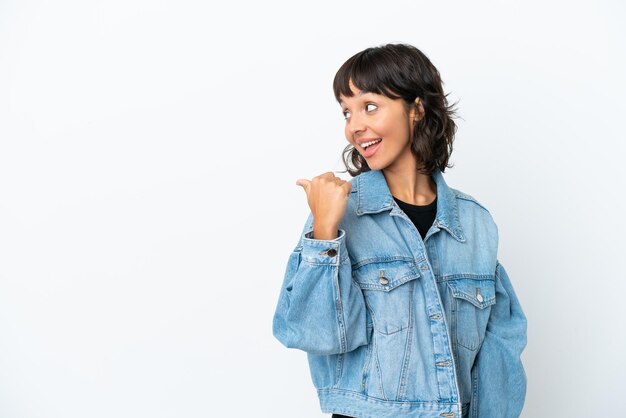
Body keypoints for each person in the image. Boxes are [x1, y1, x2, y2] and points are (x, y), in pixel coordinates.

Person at [272, 43, 527, 418]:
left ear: (417, 109)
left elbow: (498, 353)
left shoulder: (474, 223)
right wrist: (325, 230)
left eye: (369, 106)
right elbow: (314, 335)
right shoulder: (339, 213)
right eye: (346, 111)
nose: (354, 126)